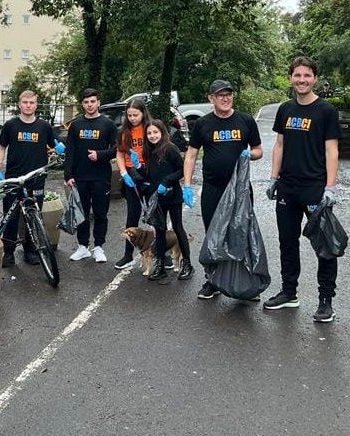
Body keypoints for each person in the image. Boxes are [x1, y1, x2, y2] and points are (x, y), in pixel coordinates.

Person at [264, 56, 342, 323]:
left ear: (315, 78)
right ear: (291, 79)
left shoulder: (325, 111)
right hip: (287, 189)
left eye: (307, 75)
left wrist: (330, 188)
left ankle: (325, 301)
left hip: (315, 189)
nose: (302, 80)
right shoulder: (285, 109)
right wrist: (273, 178)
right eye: (297, 75)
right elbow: (280, 145)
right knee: (287, 242)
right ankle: (289, 292)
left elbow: (332, 151)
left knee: (324, 246)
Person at [183, 79, 262, 299]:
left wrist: (250, 154)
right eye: (220, 95)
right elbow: (191, 154)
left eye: (228, 94)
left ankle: (247, 285)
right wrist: (187, 185)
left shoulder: (245, 121)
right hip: (213, 189)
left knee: (241, 234)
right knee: (213, 236)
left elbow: (258, 150)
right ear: (211, 99)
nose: (225, 98)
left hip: (240, 190)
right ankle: (213, 282)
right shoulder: (203, 124)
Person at [0, 90, 64, 267]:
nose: (28, 105)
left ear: (36, 104)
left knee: (34, 216)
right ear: (19, 104)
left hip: (36, 177)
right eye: (25, 102)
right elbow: (1, 147)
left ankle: (31, 251)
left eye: (31, 102)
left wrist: (60, 148)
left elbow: (54, 145)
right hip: (13, 178)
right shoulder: (11, 125)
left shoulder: (44, 127)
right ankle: (8, 252)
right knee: (10, 216)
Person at [63, 88, 118, 263]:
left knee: (101, 214)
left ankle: (99, 247)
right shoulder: (76, 125)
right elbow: (70, 150)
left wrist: (99, 155)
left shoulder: (108, 124)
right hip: (80, 177)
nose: (89, 105)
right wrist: (68, 174)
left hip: (101, 177)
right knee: (82, 213)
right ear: (82, 104)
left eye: (92, 101)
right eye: (86, 102)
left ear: (98, 102)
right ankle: (82, 247)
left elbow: (116, 150)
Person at [143, 120, 193, 281]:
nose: (152, 136)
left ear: (162, 132)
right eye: (149, 133)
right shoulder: (148, 150)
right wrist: (139, 170)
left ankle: (187, 264)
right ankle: (160, 266)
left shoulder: (170, 148)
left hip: (172, 196)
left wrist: (167, 181)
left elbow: (181, 169)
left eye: (155, 132)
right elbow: (149, 174)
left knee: (178, 228)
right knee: (159, 230)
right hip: (157, 198)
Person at [114, 99, 152, 269]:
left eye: (135, 115)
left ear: (143, 113)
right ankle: (127, 255)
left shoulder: (150, 130)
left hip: (149, 173)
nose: (132, 118)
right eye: (129, 115)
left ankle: (160, 252)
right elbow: (120, 154)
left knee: (155, 215)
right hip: (131, 175)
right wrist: (123, 172)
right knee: (132, 215)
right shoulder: (124, 132)